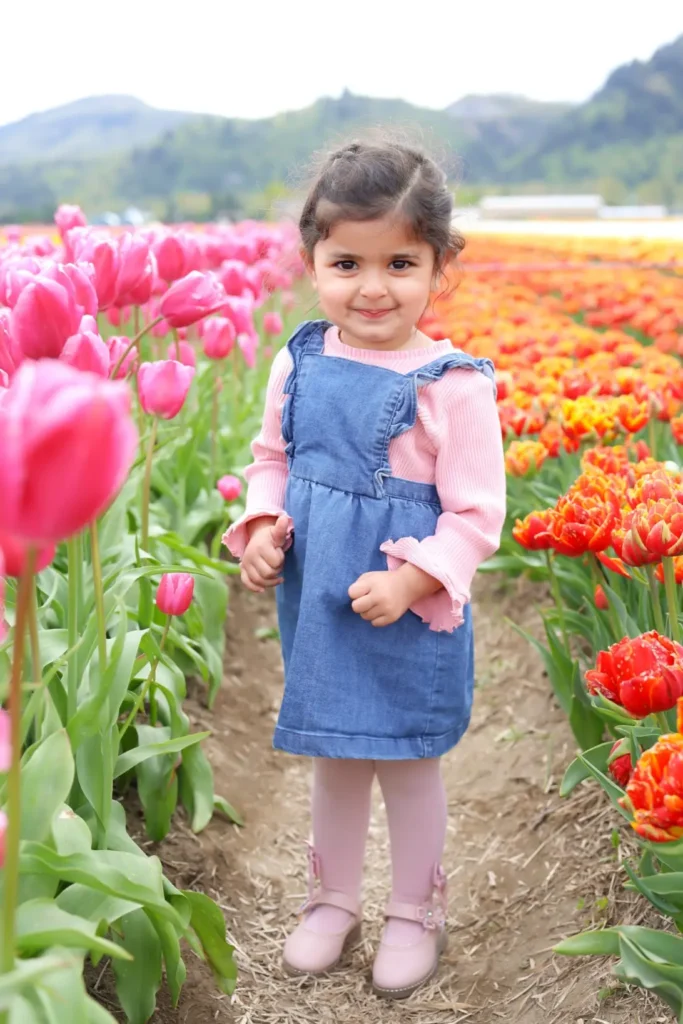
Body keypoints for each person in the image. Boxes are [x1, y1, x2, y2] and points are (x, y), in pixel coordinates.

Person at [223, 139, 506, 1000]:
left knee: (407, 759)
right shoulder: (299, 361)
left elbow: (475, 515)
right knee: (334, 755)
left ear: (437, 267)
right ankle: (330, 900)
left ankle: (414, 910)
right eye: (346, 262)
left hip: (405, 606)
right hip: (323, 601)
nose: (372, 287)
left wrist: (414, 580)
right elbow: (272, 458)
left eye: (399, 263)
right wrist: (265, 523)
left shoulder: (452, 385)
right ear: (311, 260)